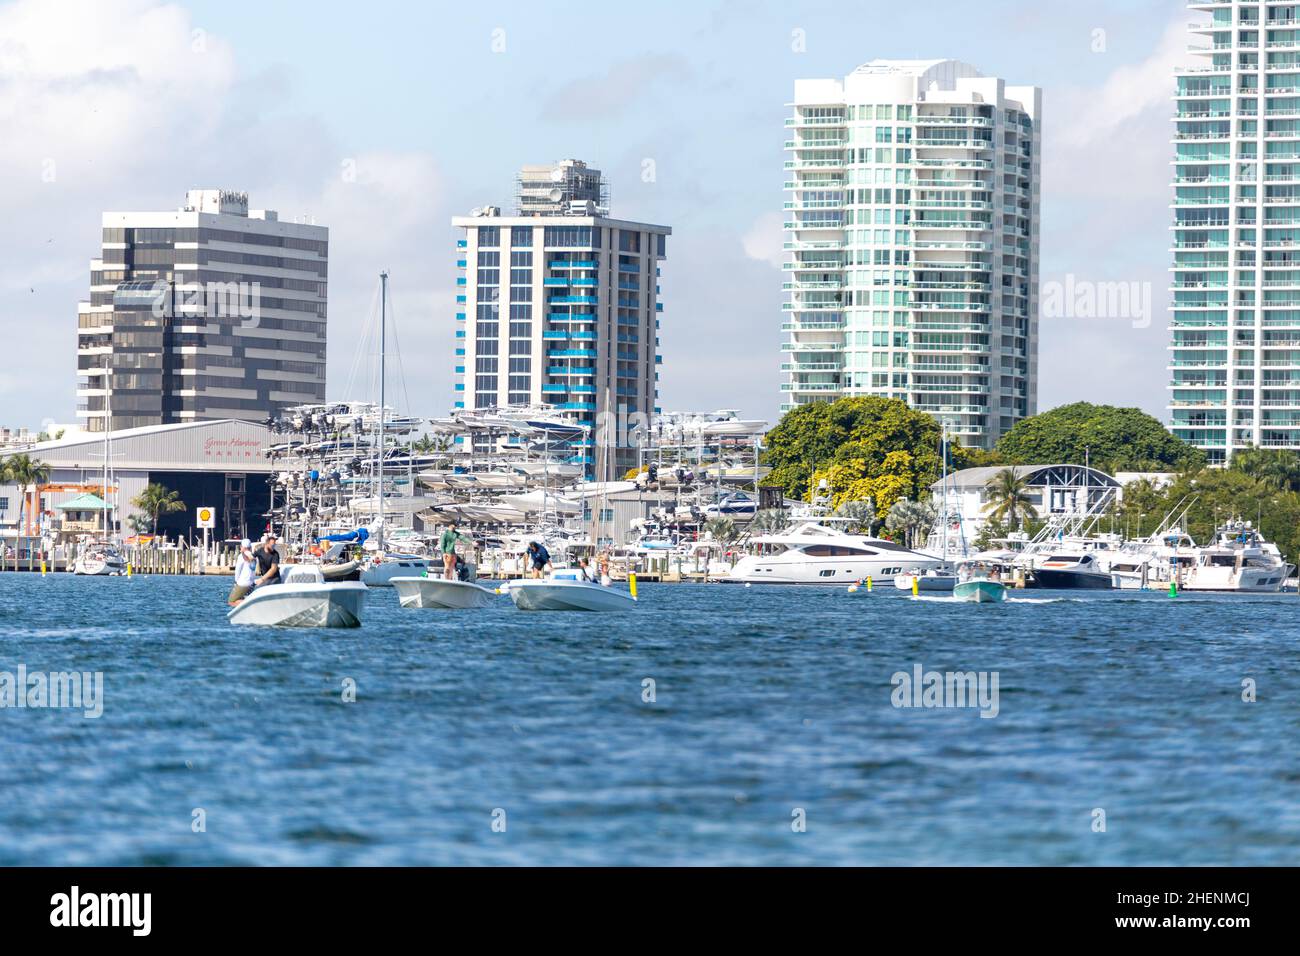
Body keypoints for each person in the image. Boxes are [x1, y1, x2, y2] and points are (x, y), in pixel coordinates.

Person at [227, 539, 256, 605]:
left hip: (242, 583)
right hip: (251, 583)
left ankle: (251, 603)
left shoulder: (241, 556)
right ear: (250, 547)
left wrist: (236, 582)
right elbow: (253, 569)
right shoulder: (253, 556)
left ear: (242, 547)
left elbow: (238, 571)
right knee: (242, 598)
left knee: (231, 602)